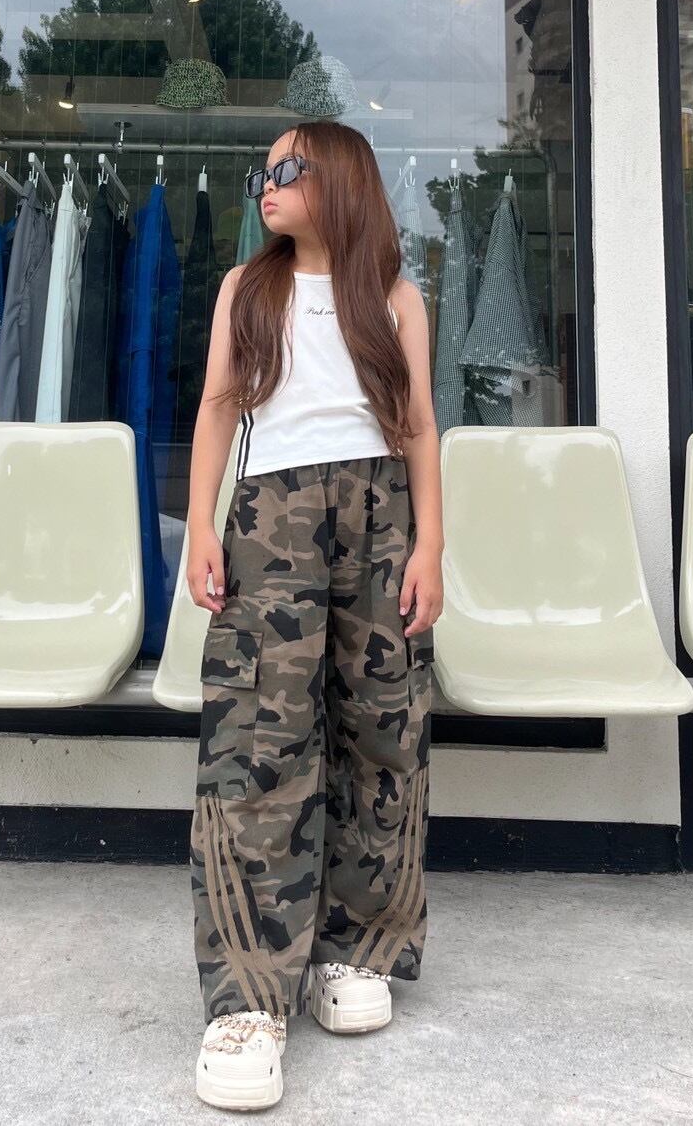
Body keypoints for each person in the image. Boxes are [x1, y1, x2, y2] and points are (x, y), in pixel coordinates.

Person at [185, 121, 444, 1110]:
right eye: (264, 170)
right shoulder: (247, 290)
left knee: (381, 727)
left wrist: (430, 545)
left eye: (288, 169)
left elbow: (418, 427)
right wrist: (201, 527)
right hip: (271, 516)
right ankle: (248, 994)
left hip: (381, 514)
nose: (268, 183)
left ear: (338, 181)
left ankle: (356, 947)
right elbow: (218, 407)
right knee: (259, 735)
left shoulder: (395, 298)